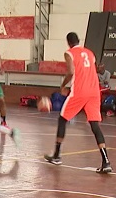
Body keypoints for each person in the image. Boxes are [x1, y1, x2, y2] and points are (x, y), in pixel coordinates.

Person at [44, 32, 111, 173]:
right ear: (79, 40)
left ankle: (56, 156)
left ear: (68, 42)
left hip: (80, 91)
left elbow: (71, 71)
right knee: (95, 126)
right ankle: (106, 162)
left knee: (62, 120)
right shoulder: (90, 53)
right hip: (94, 92)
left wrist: (63, 85)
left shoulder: (69, 53)